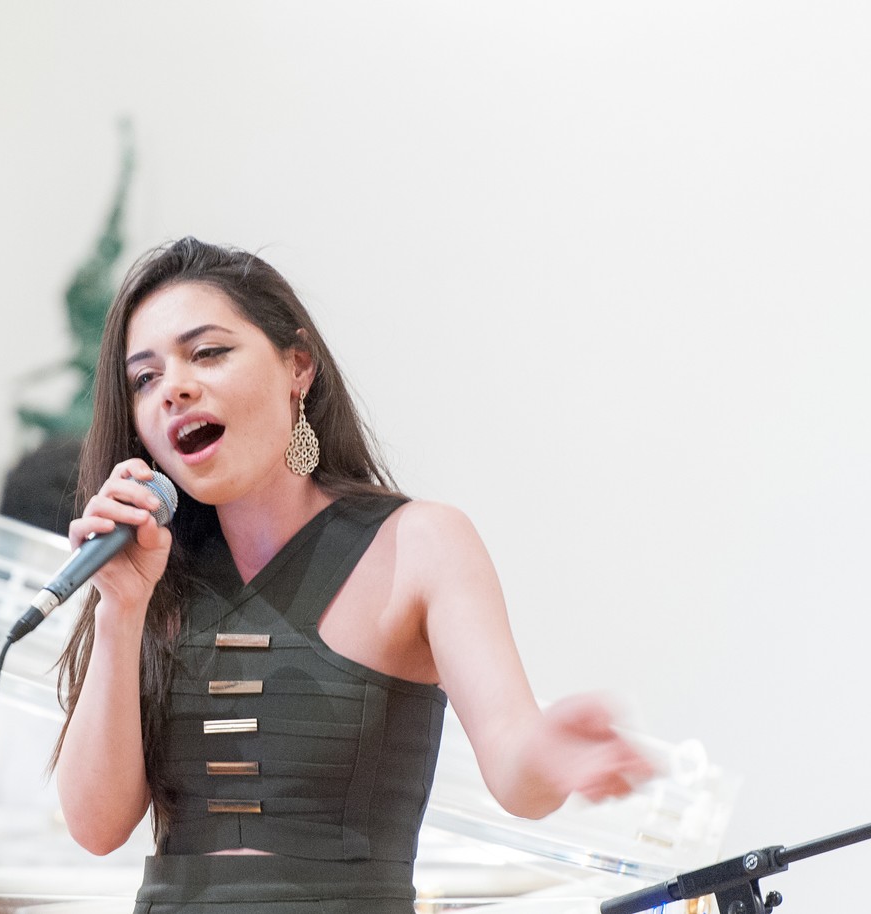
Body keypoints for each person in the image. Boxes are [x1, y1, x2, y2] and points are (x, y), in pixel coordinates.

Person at [53, 237, 653, 913]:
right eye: (145, 379)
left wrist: (550, 751)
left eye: (209, 352)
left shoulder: (421, 542)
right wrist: (120, 609)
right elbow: (95, 827)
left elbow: (517, 772)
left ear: (298, 367)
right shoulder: (152, 568)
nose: (174, 389)